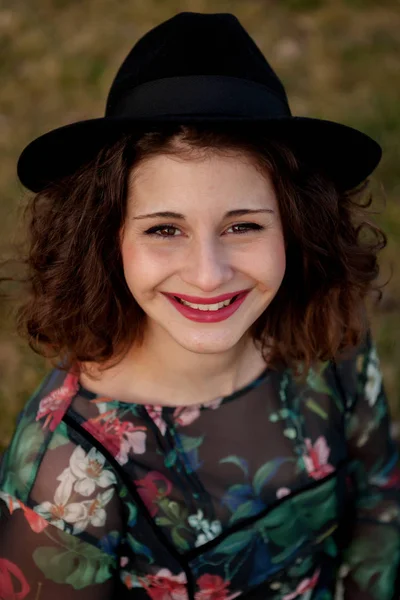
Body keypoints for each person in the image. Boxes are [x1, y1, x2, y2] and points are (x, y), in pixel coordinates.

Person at [0, 11, 399, 600]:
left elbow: (380, 501)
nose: (209, 275)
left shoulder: (330, 325)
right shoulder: (68, 474)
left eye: (242, 225)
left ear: (295, 226)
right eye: (164, 230)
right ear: (107, 240)